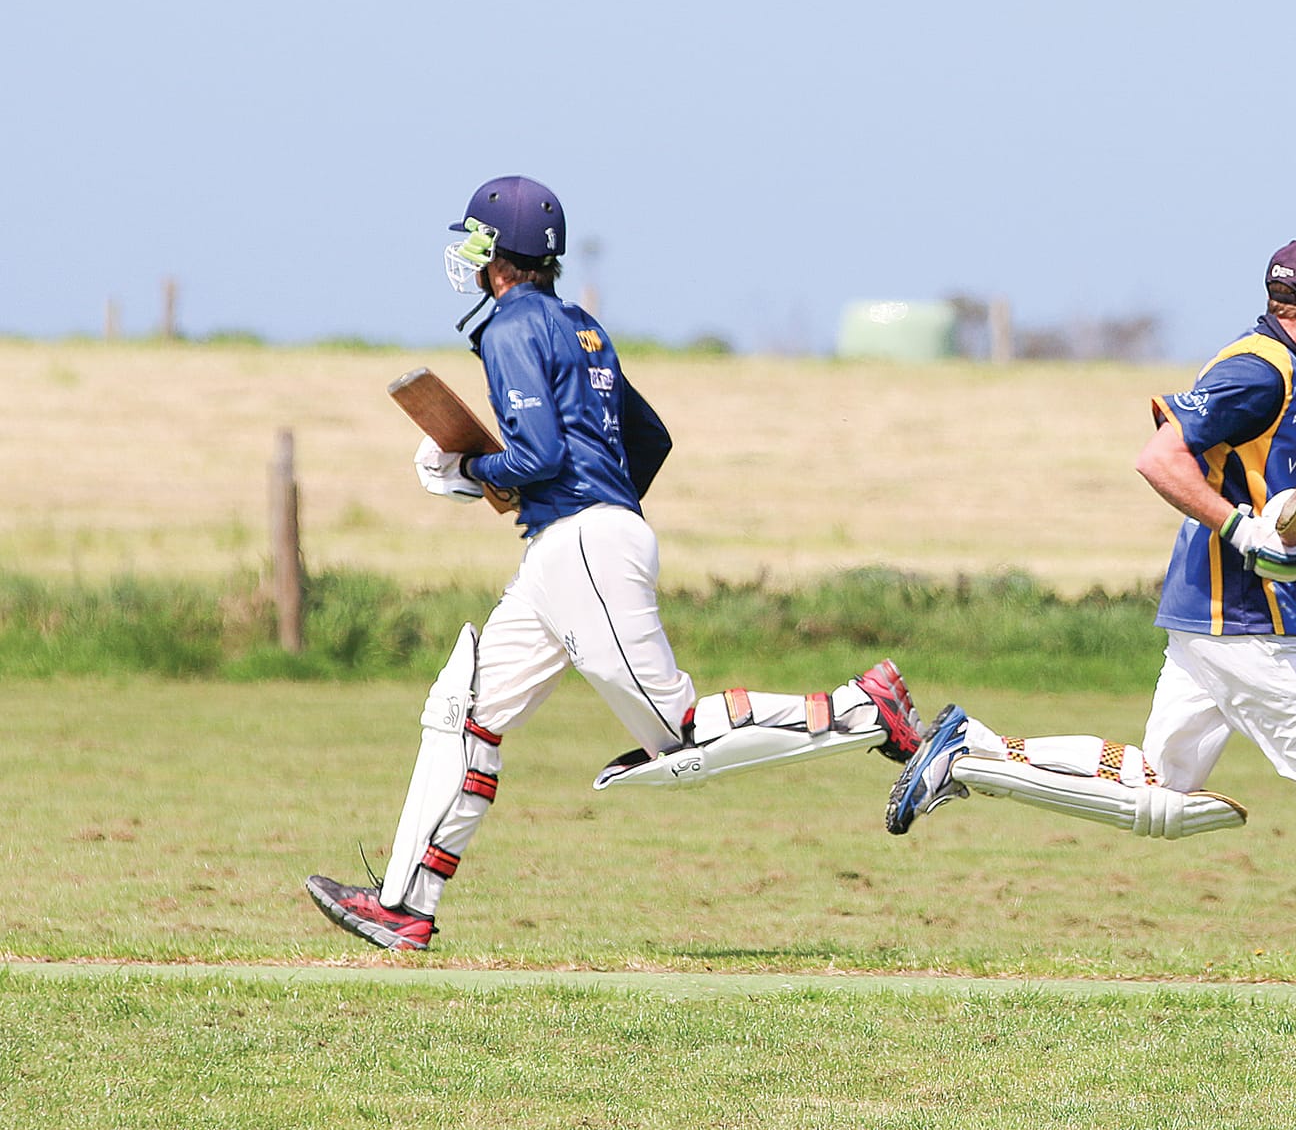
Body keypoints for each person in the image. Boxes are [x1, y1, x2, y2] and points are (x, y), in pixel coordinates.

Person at [307, 175, 922, 951]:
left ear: (501, 257)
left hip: (582, 543)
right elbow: (650, 438)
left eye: (477, 241)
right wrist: (597, 503)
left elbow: (536, 452)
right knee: (464, 715)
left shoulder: (508, 328)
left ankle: (864, 709)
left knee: (680, 735)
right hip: (572, 546)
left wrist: (474, 475)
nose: (468, 256)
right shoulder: (583, 326)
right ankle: (402, 905)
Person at [885, 235, 1296, 1011]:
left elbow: (1283, 512)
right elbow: (1162, 458)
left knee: (1161, 791)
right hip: (1237, 619)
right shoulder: (1256, 371)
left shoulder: (1295, 381)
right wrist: (1241, 532)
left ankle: (970, 754)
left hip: (1225, 618)